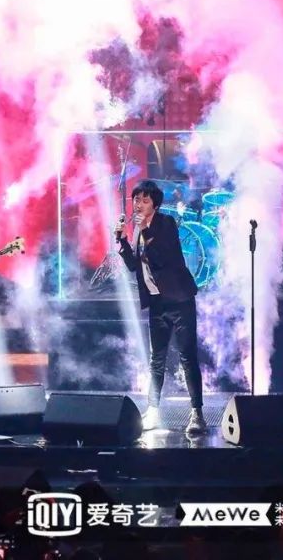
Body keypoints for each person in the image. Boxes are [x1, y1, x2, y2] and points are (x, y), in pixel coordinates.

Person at [115, 179, 206, 433]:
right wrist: (122, 242)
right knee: (157, 359)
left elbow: (163, 258)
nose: (138, 204)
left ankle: (197, 413)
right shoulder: (139, 230)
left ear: (154, 204)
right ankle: (153, 411)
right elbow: (134, 266)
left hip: (180, 301)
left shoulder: (166, 223)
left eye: (144, 200)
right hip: (157, 303)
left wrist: (144, 230)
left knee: (188, 357)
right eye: (136, 199)